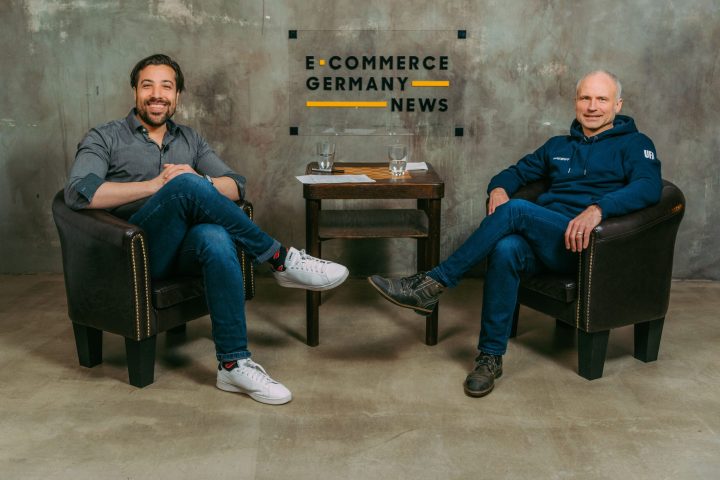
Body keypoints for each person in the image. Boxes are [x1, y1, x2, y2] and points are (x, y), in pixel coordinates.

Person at [65, 53, 349, 405]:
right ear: (134, 91)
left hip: (181, 252)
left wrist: (202, 182)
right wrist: (156, 186)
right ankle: (280, 259)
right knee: (184, 184)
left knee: (214, 236)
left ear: (177, 95)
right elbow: (79, 192)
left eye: (166, 87)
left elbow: (236, 185)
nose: (157, 95)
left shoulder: (190, 139)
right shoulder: (105, 137)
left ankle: (233, 364)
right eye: (147, 86)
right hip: (130, 255)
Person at [368, 70, 662, 398]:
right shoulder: (558, 146)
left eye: (602, 99)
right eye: (585, 98)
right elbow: (514, 173)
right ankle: (490, 357)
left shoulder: (635, 144)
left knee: (517, 210)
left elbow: (649, 187)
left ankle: (432, 284)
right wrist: (498, 189)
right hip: (546, 240)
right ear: (576, 102)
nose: (592, 106)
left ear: (617, 105)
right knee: (506, 248)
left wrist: (599, 209)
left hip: (588, 247)